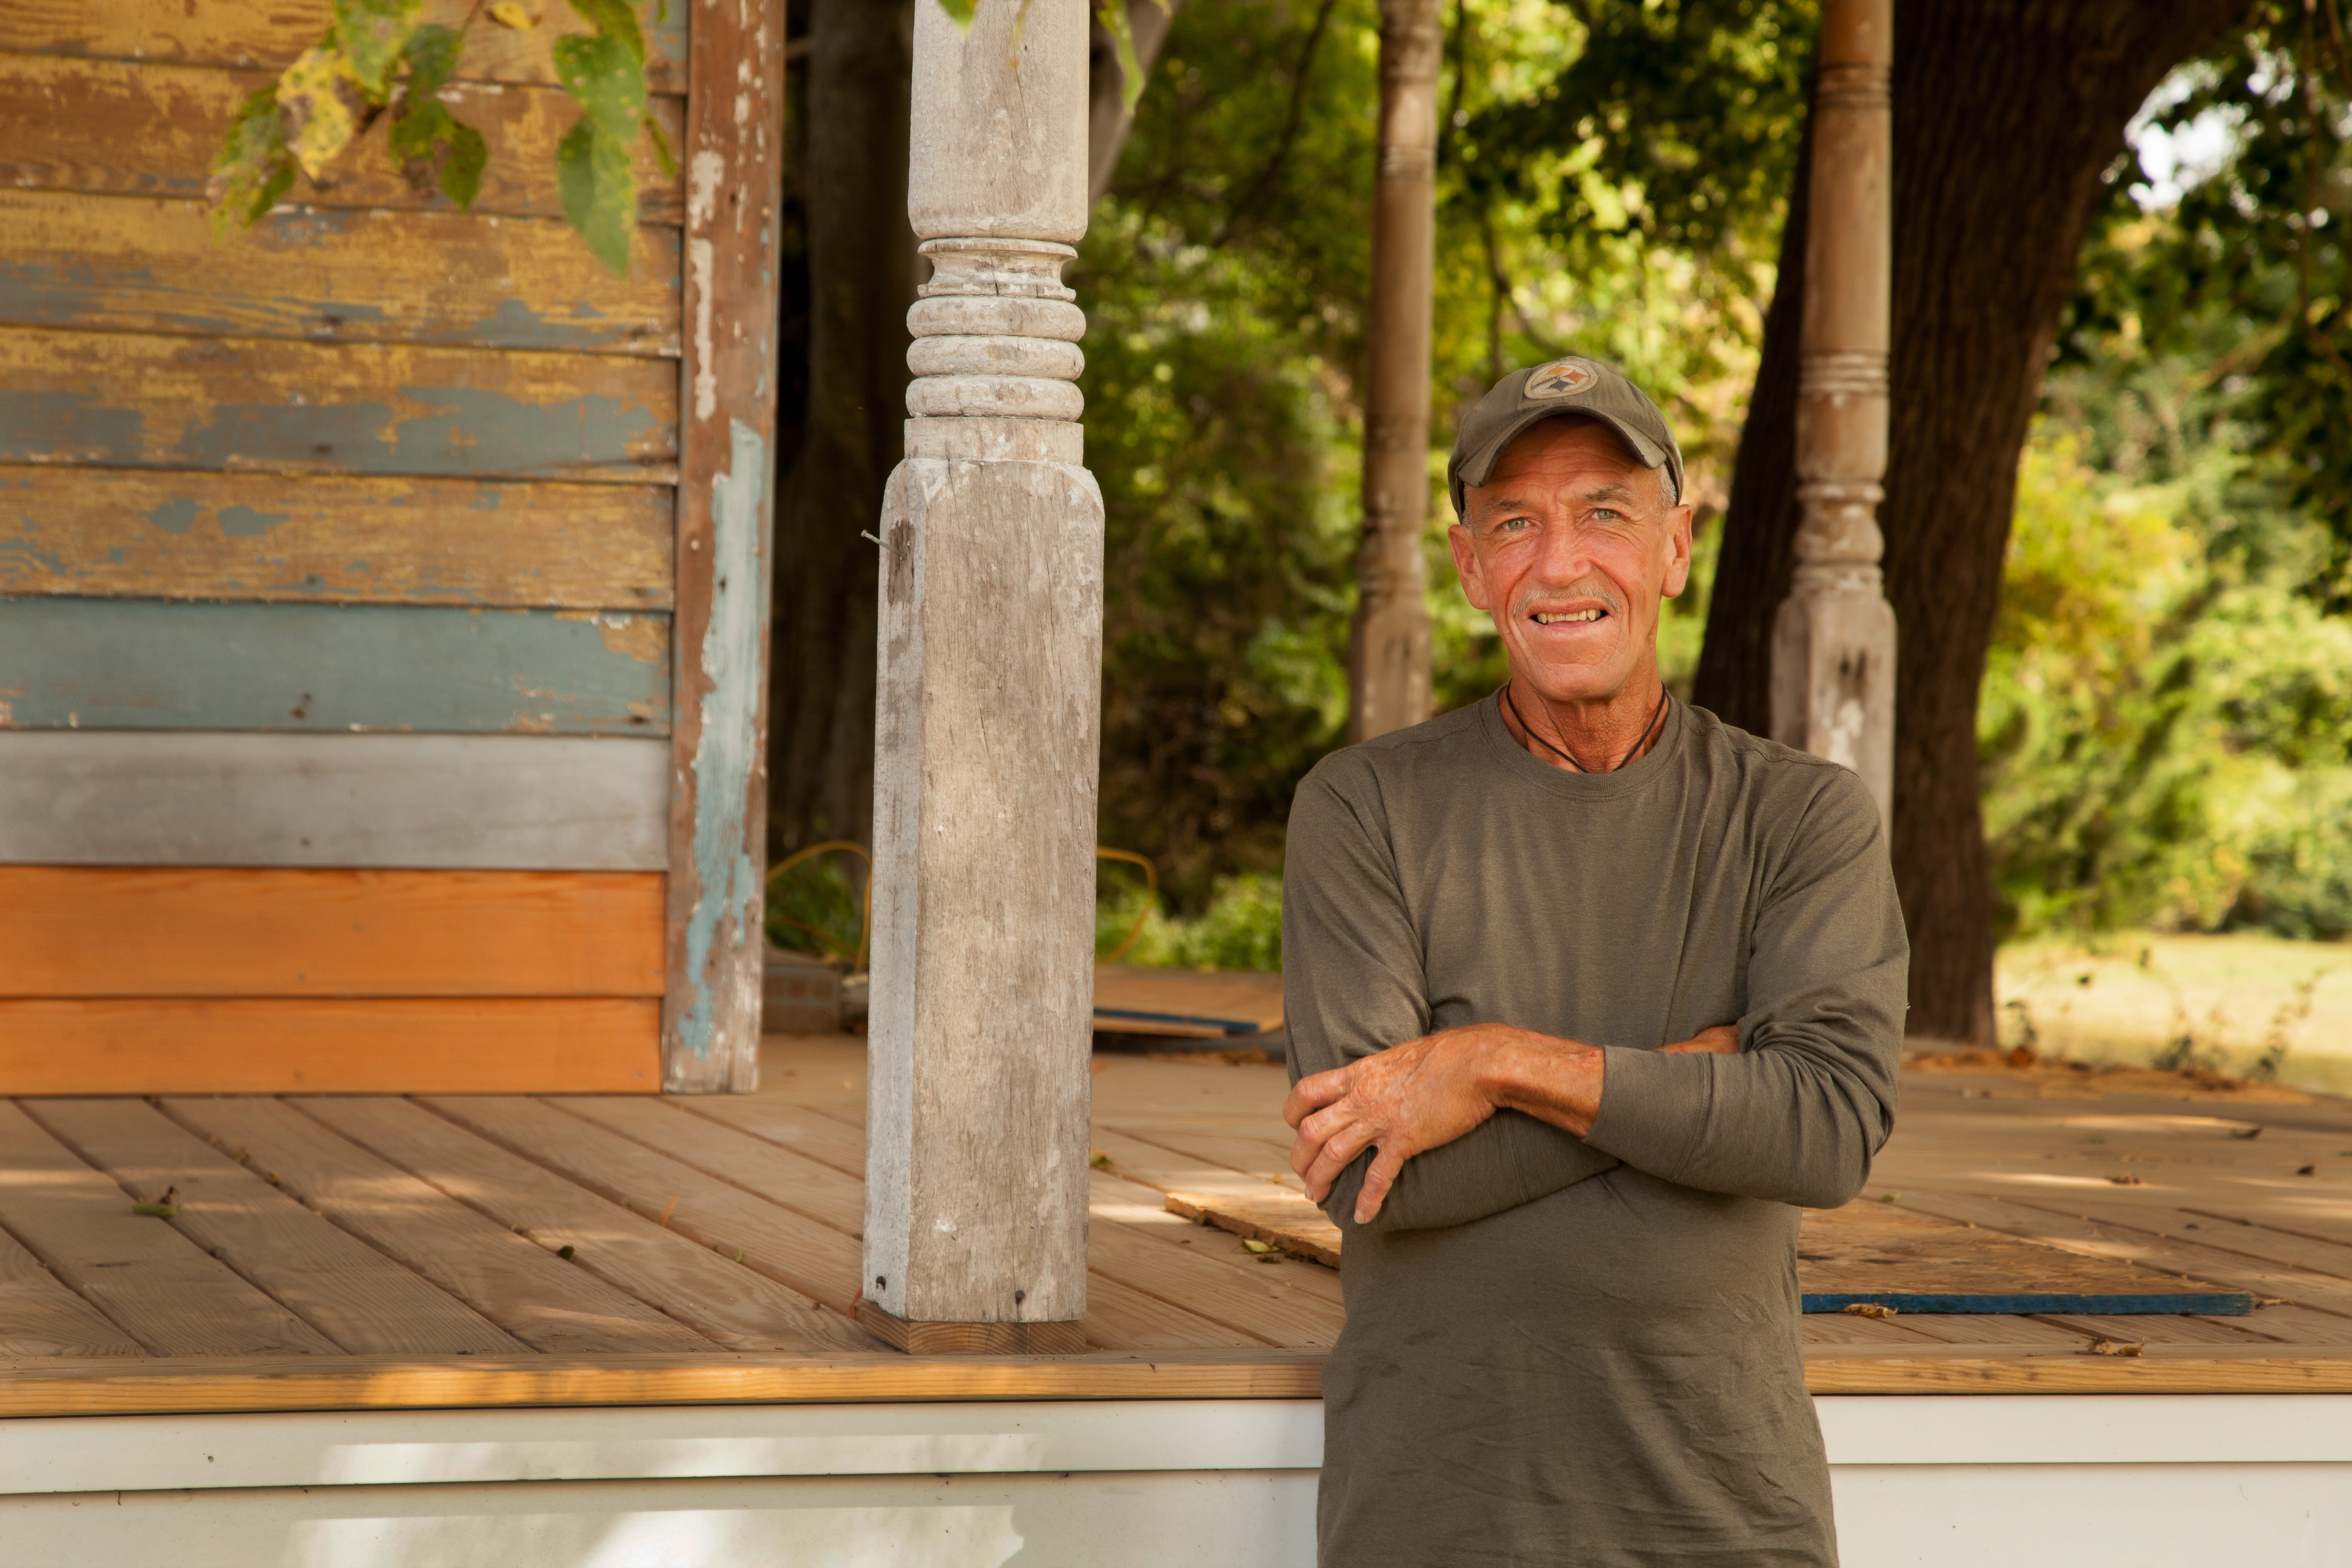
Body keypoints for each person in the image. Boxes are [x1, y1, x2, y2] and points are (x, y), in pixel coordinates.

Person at [1281, 357, 1908, 1566]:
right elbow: (1381, 1177)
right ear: (1471, 569)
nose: (1561, 563)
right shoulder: (1365, 810)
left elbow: (1824, 1128)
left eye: (1605, 514)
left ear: (1675, 548)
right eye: (1516, 522)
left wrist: (1497, 1066)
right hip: (1440, 1512)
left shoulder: (1800, 818)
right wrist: (1703, 1084)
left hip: (1724, 1514)